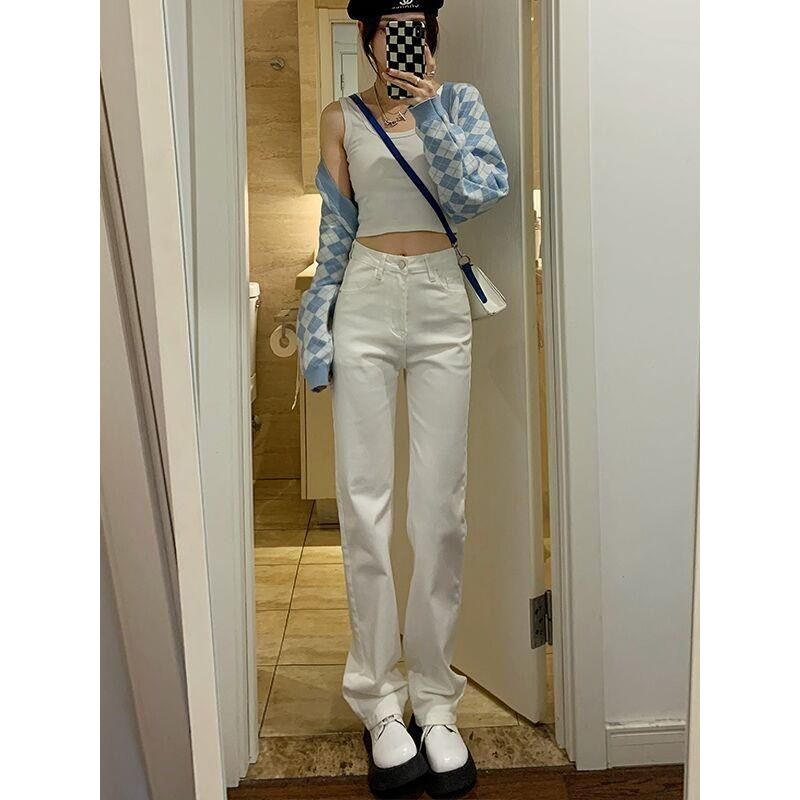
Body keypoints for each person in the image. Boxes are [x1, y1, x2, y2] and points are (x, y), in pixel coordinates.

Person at [296, 0, 509, 794]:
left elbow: (478, 195)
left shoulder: (460, 105)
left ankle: (435, 698)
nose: (400, 39)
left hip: (440, 298)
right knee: (365, 504)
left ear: (431, 37)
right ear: (367, 37)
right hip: (366, 295)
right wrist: (317, 333)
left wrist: (431, 113)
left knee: (439, 510)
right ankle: (378, 698)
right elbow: (334, 231)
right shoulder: (340, 117)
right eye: (389, 26)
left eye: (414, 25)